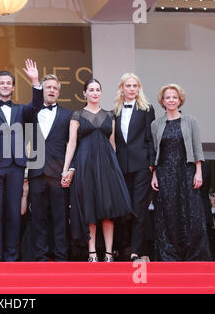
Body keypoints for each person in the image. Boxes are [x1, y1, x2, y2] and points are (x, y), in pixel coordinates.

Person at [61, 78, 134, 262]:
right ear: (84, 93)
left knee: (108, 210)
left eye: (97, 89)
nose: (95, 93)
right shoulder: (77, 115)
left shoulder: (110, 116)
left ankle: (109, 253)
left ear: (101, 93)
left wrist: (115, 169)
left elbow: (113, 145)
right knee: (90, 208)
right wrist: (66, 170)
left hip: (108, 166)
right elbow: (71, 144)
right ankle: (92, 252)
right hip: (85, 165)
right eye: (91, 90)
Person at [0, 59, 43, 262]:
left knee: (14, 211)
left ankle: (12, 258)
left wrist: (35, 82)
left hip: (16, 165)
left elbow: (36, 107)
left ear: (13, 87)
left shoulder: (21, 110)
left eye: (8, 83)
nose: (5, 86)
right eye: (1, 83)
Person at [151, 83, 212, 261]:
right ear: (162, 101)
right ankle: (170, 256)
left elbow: (197, 148)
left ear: (180, 100)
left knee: (191, 213)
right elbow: (154, 152)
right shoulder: (156, 124)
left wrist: (198, 172)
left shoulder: (191, 121)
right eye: (167, 97)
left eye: (174, 97)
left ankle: (194, 255)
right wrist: (154, 175)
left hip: (186, 171)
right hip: (164, 173)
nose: (171, 100)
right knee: (168, 214)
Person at [28, 74, 72, 261]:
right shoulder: (30, 113)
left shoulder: (69, 115)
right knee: (38, 218)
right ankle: (41, 257)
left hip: (58, 173)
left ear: (59, 92)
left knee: (61, 217)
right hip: (37, 172)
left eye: (55, 88)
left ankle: (61, 257)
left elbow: (73, 144)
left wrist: (71, 169)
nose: (52, 90)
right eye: (48, 87)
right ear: (42, 91)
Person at [113, 73, 155, 261]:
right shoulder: (114, 111)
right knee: (124, 208)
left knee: (139, 207)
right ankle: (124, 246)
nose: (131, 89)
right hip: (121, 166)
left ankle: (137, 250)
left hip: (141, 166)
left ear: (138, 88)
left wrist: (151, 164)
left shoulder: (147, 109)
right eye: (128, 85)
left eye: (134, 86)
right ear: (122, 88)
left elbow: (150, 138)